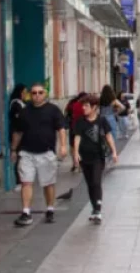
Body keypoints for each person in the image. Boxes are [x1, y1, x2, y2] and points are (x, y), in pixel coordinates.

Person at [10, 82, 67, 227]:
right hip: (27, 153)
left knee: (48, 183)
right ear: (30, 95)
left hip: (46, 153)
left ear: (45, 94)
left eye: (40, 92)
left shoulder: (53, 110)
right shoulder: (24, 111)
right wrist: (13, 149)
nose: (37, 95)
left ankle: (50, 209)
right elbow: (18, 132)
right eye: (34, 93)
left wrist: (63, 146)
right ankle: (26, 212)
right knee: (26, 182)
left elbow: (61, 129)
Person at [73, 94, 118, 224]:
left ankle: (98, 210)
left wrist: (114, 152)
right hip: (84, 158)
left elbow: (109, 136)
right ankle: (94, 209)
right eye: (83, 105)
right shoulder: (80, 122)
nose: (83, 108)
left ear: (94, 107)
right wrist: (76, 153)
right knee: (90, 184)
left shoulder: (102, 121)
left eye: (86, 106)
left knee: (96, 182)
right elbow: (77, 138)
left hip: (98, 157)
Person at [8, 84, 28, 192]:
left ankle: (23, 180)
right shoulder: (15, 103)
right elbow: (18, 120)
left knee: (23, 158)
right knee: (19, 158)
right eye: (24, 92)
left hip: (23, 133)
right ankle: (18, 181)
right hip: (17, 132)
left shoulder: (22, 103)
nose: (26, 94)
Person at [65, 92, 87, 172]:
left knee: (72, 146)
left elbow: (66, 112)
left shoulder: (71, 103)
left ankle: (74, 164)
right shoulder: (82, 105)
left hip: (72, 127)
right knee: (80, 146)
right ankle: (80, 165)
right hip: (81, 127)